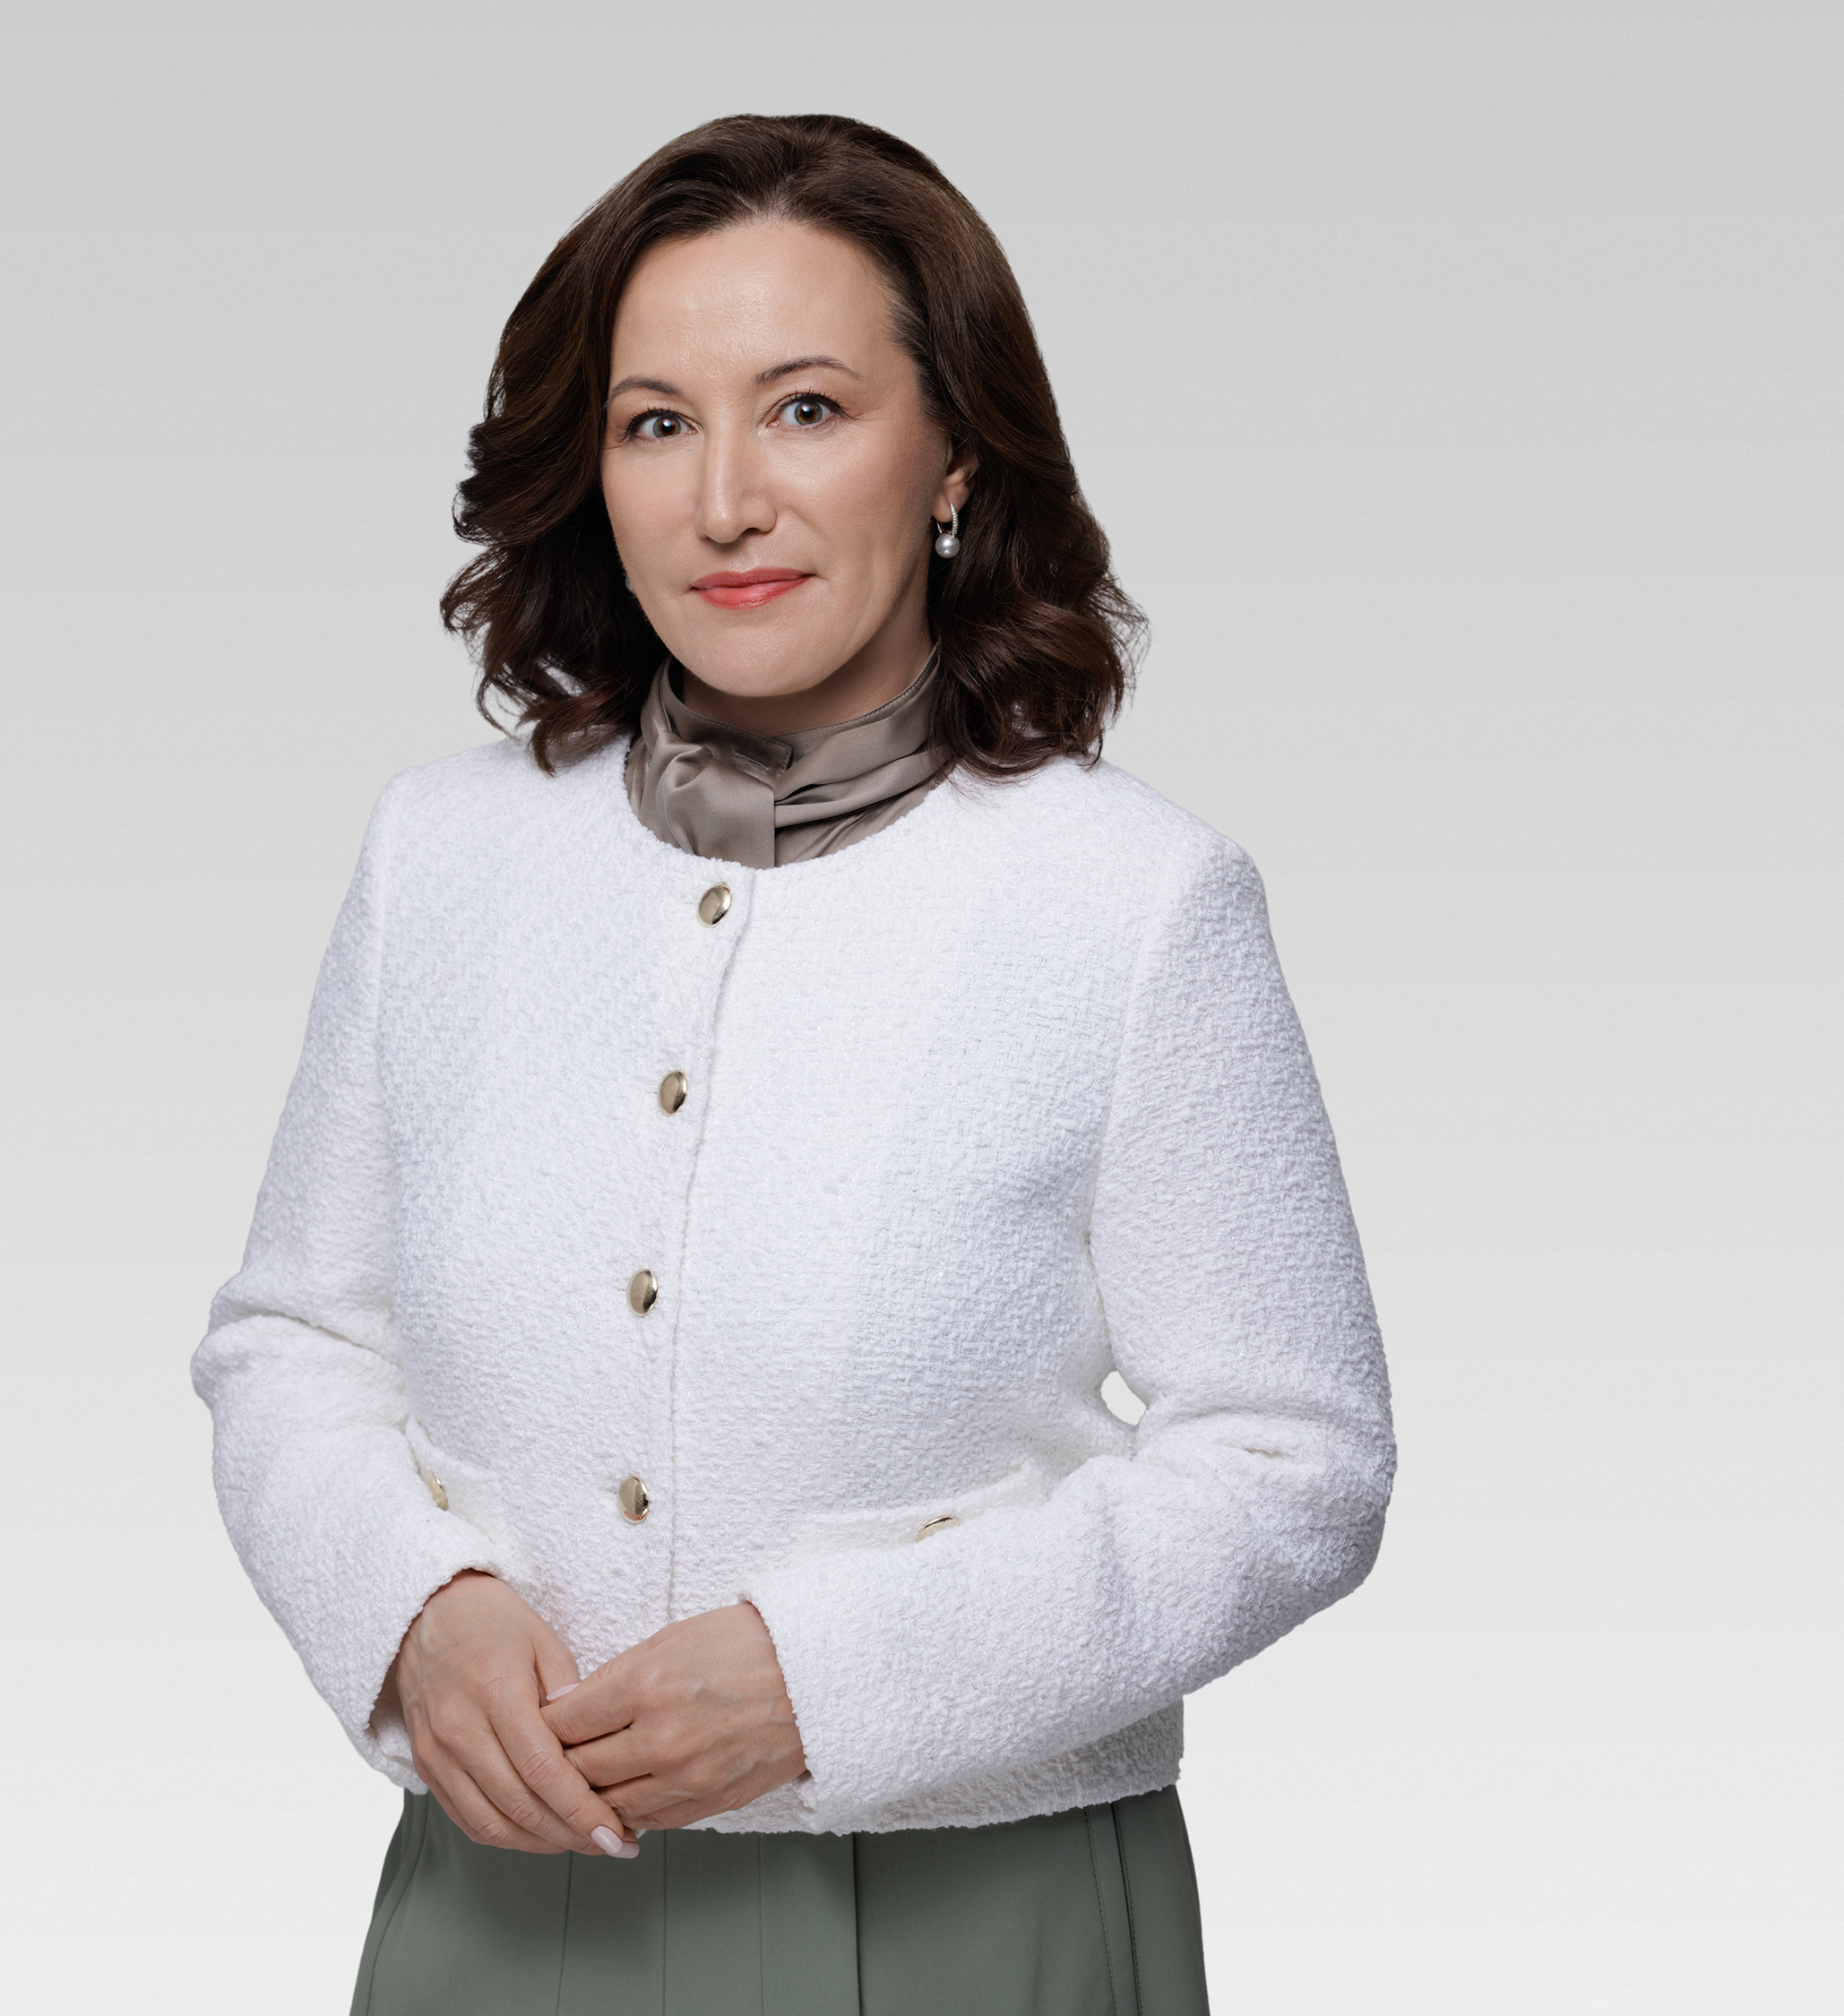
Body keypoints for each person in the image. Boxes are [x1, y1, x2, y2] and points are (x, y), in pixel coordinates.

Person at [191, 113, 1396, 2016]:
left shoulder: (1132, 899)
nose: (725, 499)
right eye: (656, 423)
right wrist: (411, 1613)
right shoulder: (443, 855)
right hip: (503, 1905)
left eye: (809, 410)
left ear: (955, 457)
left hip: (971, 1916)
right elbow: (292, 1340)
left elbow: (1295, 1457)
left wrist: (837, 1682)